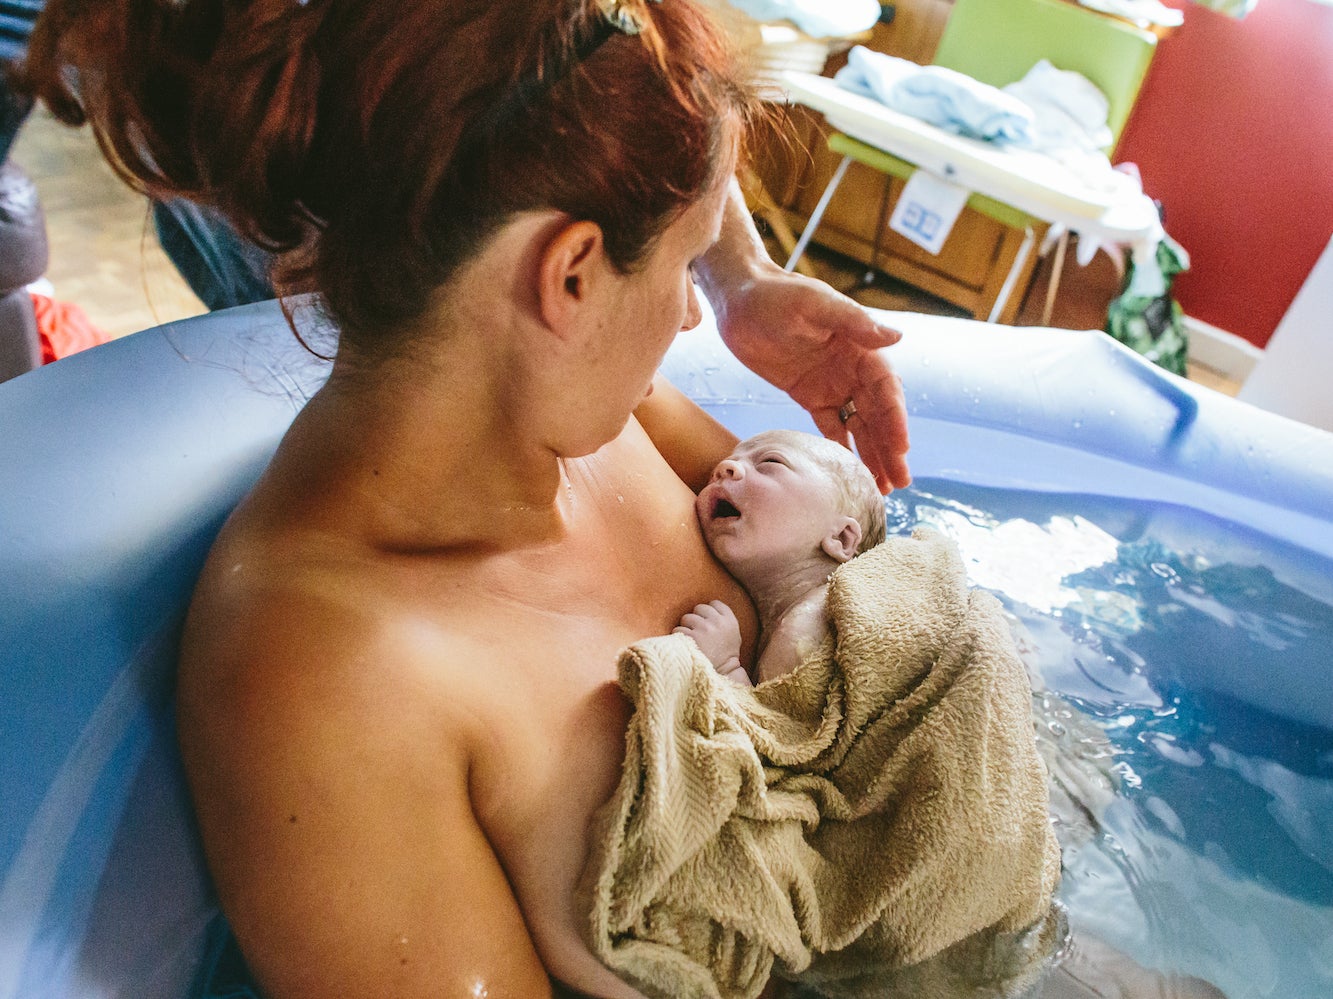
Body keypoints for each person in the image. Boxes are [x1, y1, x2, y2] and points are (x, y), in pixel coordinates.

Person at [14, 1, 907, 996]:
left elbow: (865, 606)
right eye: (682, 268)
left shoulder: (615, 415)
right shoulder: (331, 677)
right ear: (567, 276)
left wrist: (743, 279)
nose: (691, 312)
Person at [675, 428, 885, 685]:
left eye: (770, 462)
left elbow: (771, 725)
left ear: (840, 538)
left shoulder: (811, 623)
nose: (725, 467)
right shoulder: (791, 625)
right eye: (728, 463)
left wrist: (724, 667)